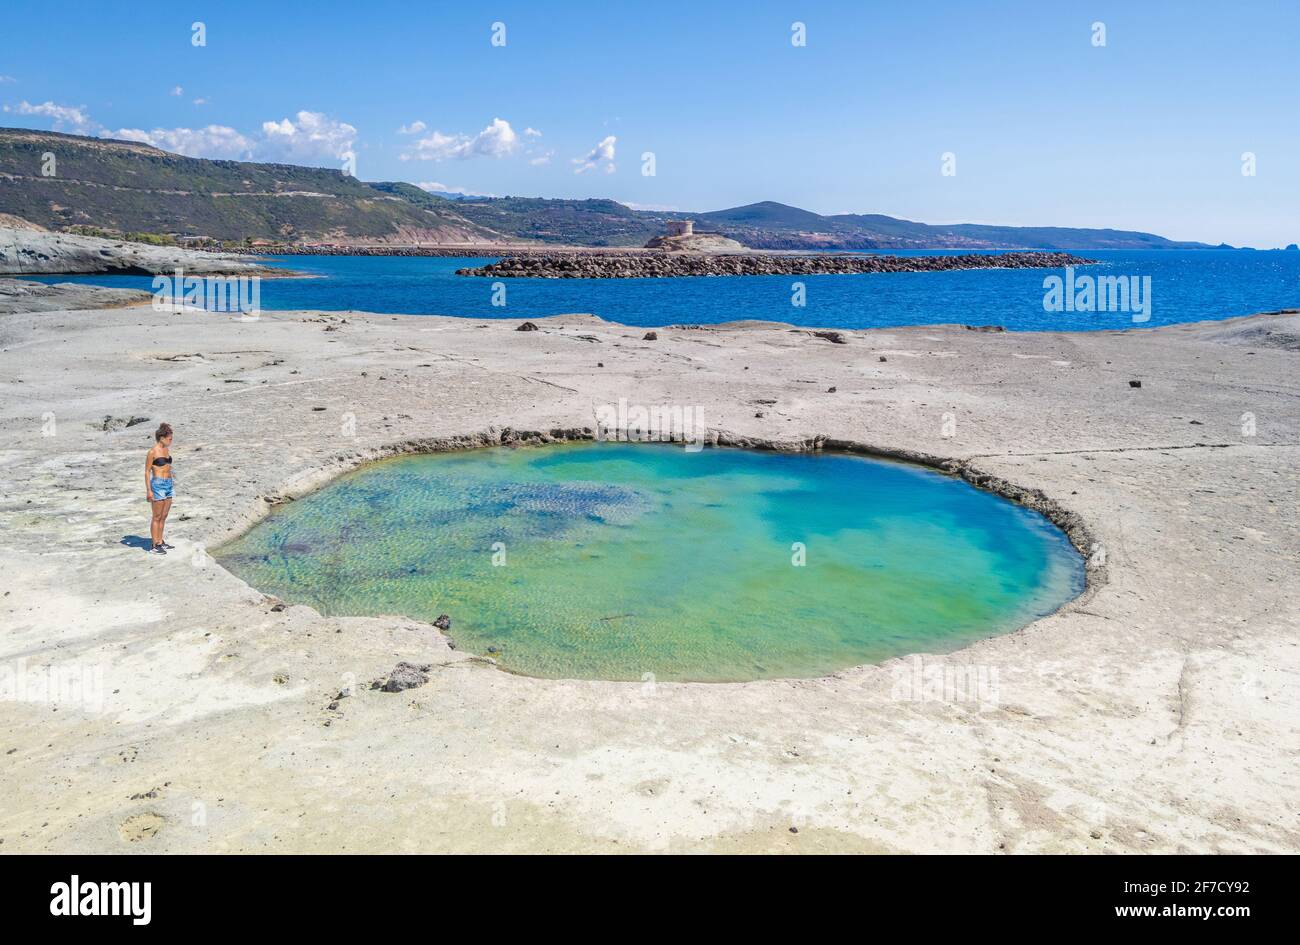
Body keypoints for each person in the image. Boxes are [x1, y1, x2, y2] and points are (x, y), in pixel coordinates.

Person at [145, 422, 175, 555]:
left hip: (168, 484)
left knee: (164, 515)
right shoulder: (152, 452)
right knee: (156, 516)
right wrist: (149, 490)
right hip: (157, 484)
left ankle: (160, 541)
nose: (171, 440)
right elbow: (147, 471)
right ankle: (154, 545)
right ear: (162, 437)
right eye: (169, 438)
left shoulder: (166, 450)